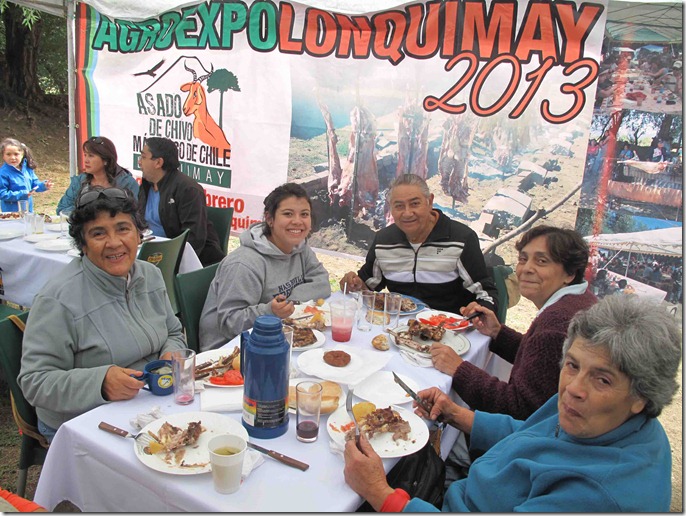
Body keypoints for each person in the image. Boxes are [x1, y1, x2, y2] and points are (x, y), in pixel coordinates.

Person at [343, 295, 681, 512]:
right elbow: (532, 432)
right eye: (573, 365)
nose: (573, 388)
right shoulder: (599, 418)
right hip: (468, 488)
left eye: (603, 379)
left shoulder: (597, 495)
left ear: (642, 396)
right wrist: (458, 414)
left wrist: (381, 494)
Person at [19, 187, 186, 442]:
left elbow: (173, 331)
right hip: (81, 419)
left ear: (139, 236)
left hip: (148, 404)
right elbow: (35, 382)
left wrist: (171, 351)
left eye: (123, 228)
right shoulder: (58, 300)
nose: (114, 242)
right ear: (83, 245)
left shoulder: (149, 275)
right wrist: (100, 383)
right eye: (98, 233)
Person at [431, 225, 597, 419]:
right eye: (523, 259)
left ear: (570, 273)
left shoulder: (556, 324)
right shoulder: (579, 299)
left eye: (541, 261)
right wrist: (497, 333)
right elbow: (538, 359)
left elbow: (518, 408)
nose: (526, 269)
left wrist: (459, 369)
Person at [340, 174, 497, 315]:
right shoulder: (384, 240)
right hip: (397, 329)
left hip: (449, 331)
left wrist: (479, 309)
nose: (407, 213)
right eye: (399, 206)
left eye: (415, 204)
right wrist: (354, 283)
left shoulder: (461, 239)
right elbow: (368, 283)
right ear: (391, 209)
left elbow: (486, 294)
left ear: (430, 202)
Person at [199, 183, 331, 350]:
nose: (298, 221)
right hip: (230, 350)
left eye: (304, 214)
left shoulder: (299, 247)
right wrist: (270, 311)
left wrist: (291, 302)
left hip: (276, 337)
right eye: (288, 214)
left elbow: (322, 283)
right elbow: (230, 323)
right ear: (270, 219)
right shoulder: (244, 264)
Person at [137, 137, 224, 266]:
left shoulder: (188, 189)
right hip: (151, 251)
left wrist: (169, 260)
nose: (139, 162)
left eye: (143, 157)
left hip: (181, 258)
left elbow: (193, 237)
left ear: (158, 162)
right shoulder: (146, 185)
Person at [56, 136, 139, 214]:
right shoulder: (80, 181)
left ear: (106, 160)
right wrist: (87, 215)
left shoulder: (127, 183)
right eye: (85, 155)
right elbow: (62, 209)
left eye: (91, 156)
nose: (86, 160)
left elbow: (137, 213)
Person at [0, 138, 53, 212]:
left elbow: (35, 184)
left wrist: (43, 185)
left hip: (28, 211)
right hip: (12, 214)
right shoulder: (2, 173)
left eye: (16, 154)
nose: (12, 157)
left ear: (22, 154)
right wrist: (22, 194)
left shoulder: (28, 169)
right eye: (8, 154)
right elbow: (2, 194)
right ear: (3, 156)